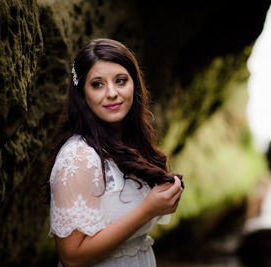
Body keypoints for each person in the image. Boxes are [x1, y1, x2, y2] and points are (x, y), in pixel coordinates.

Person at [45, 38, 183, 267]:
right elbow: (71, 257)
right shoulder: (78, 157)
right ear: (82, 93)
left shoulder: (132, 144)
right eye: (97, 84)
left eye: (120, 81)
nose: (112, 93)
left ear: (134, 85)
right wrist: (147, 210)